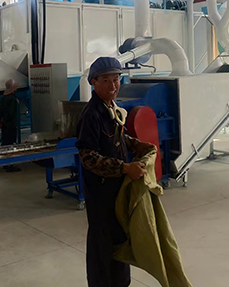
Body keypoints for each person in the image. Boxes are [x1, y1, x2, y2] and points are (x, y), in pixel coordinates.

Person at [76, 57, 149, 287]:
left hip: (117, 190)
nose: (113, 85)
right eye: (106, 80)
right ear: (94, 82)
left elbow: (118, 138)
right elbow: (88, 157)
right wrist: (124, 168)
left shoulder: (112, 109)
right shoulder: (91, 115)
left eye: (116, 79)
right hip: (101, 194)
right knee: (102, 245)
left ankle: (120, 283)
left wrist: (137, 145)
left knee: (120, 239)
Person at [0, 78, 21, 172]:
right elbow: (11, 113)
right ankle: (10, 165)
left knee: (5, 143)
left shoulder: (3, 98)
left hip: (4, 125)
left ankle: (5, 163)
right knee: (11, 144)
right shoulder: (12, 99)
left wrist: (0, 120)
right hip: (10, 125)